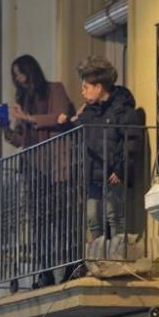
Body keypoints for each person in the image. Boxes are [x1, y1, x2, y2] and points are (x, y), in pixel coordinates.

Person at [0, 55, 74, 288]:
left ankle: (70, 267)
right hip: (33, 169)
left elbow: (62, 117)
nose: (19, 80)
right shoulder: (26, 101)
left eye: (20, 73)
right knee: (39, 222)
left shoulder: (55, 89)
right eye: (15, 76)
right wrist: (5, 128)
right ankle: (45, 272)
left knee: (62, 218)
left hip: (56, 165)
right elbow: (19, 139)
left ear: (31, 72)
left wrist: (29, 118)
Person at [60, 57, 141, 262]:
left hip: (113, 173)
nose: (82, 92)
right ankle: (99, 259)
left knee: (114, 216)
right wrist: (64, 125)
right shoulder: (89, 112)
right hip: (92, 174)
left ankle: (118, 258)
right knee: (92, 218)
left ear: (98, 87)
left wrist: (122, 168)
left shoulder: (122, 108)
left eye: (86, 87)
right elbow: (77, 131)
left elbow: (130, 140)